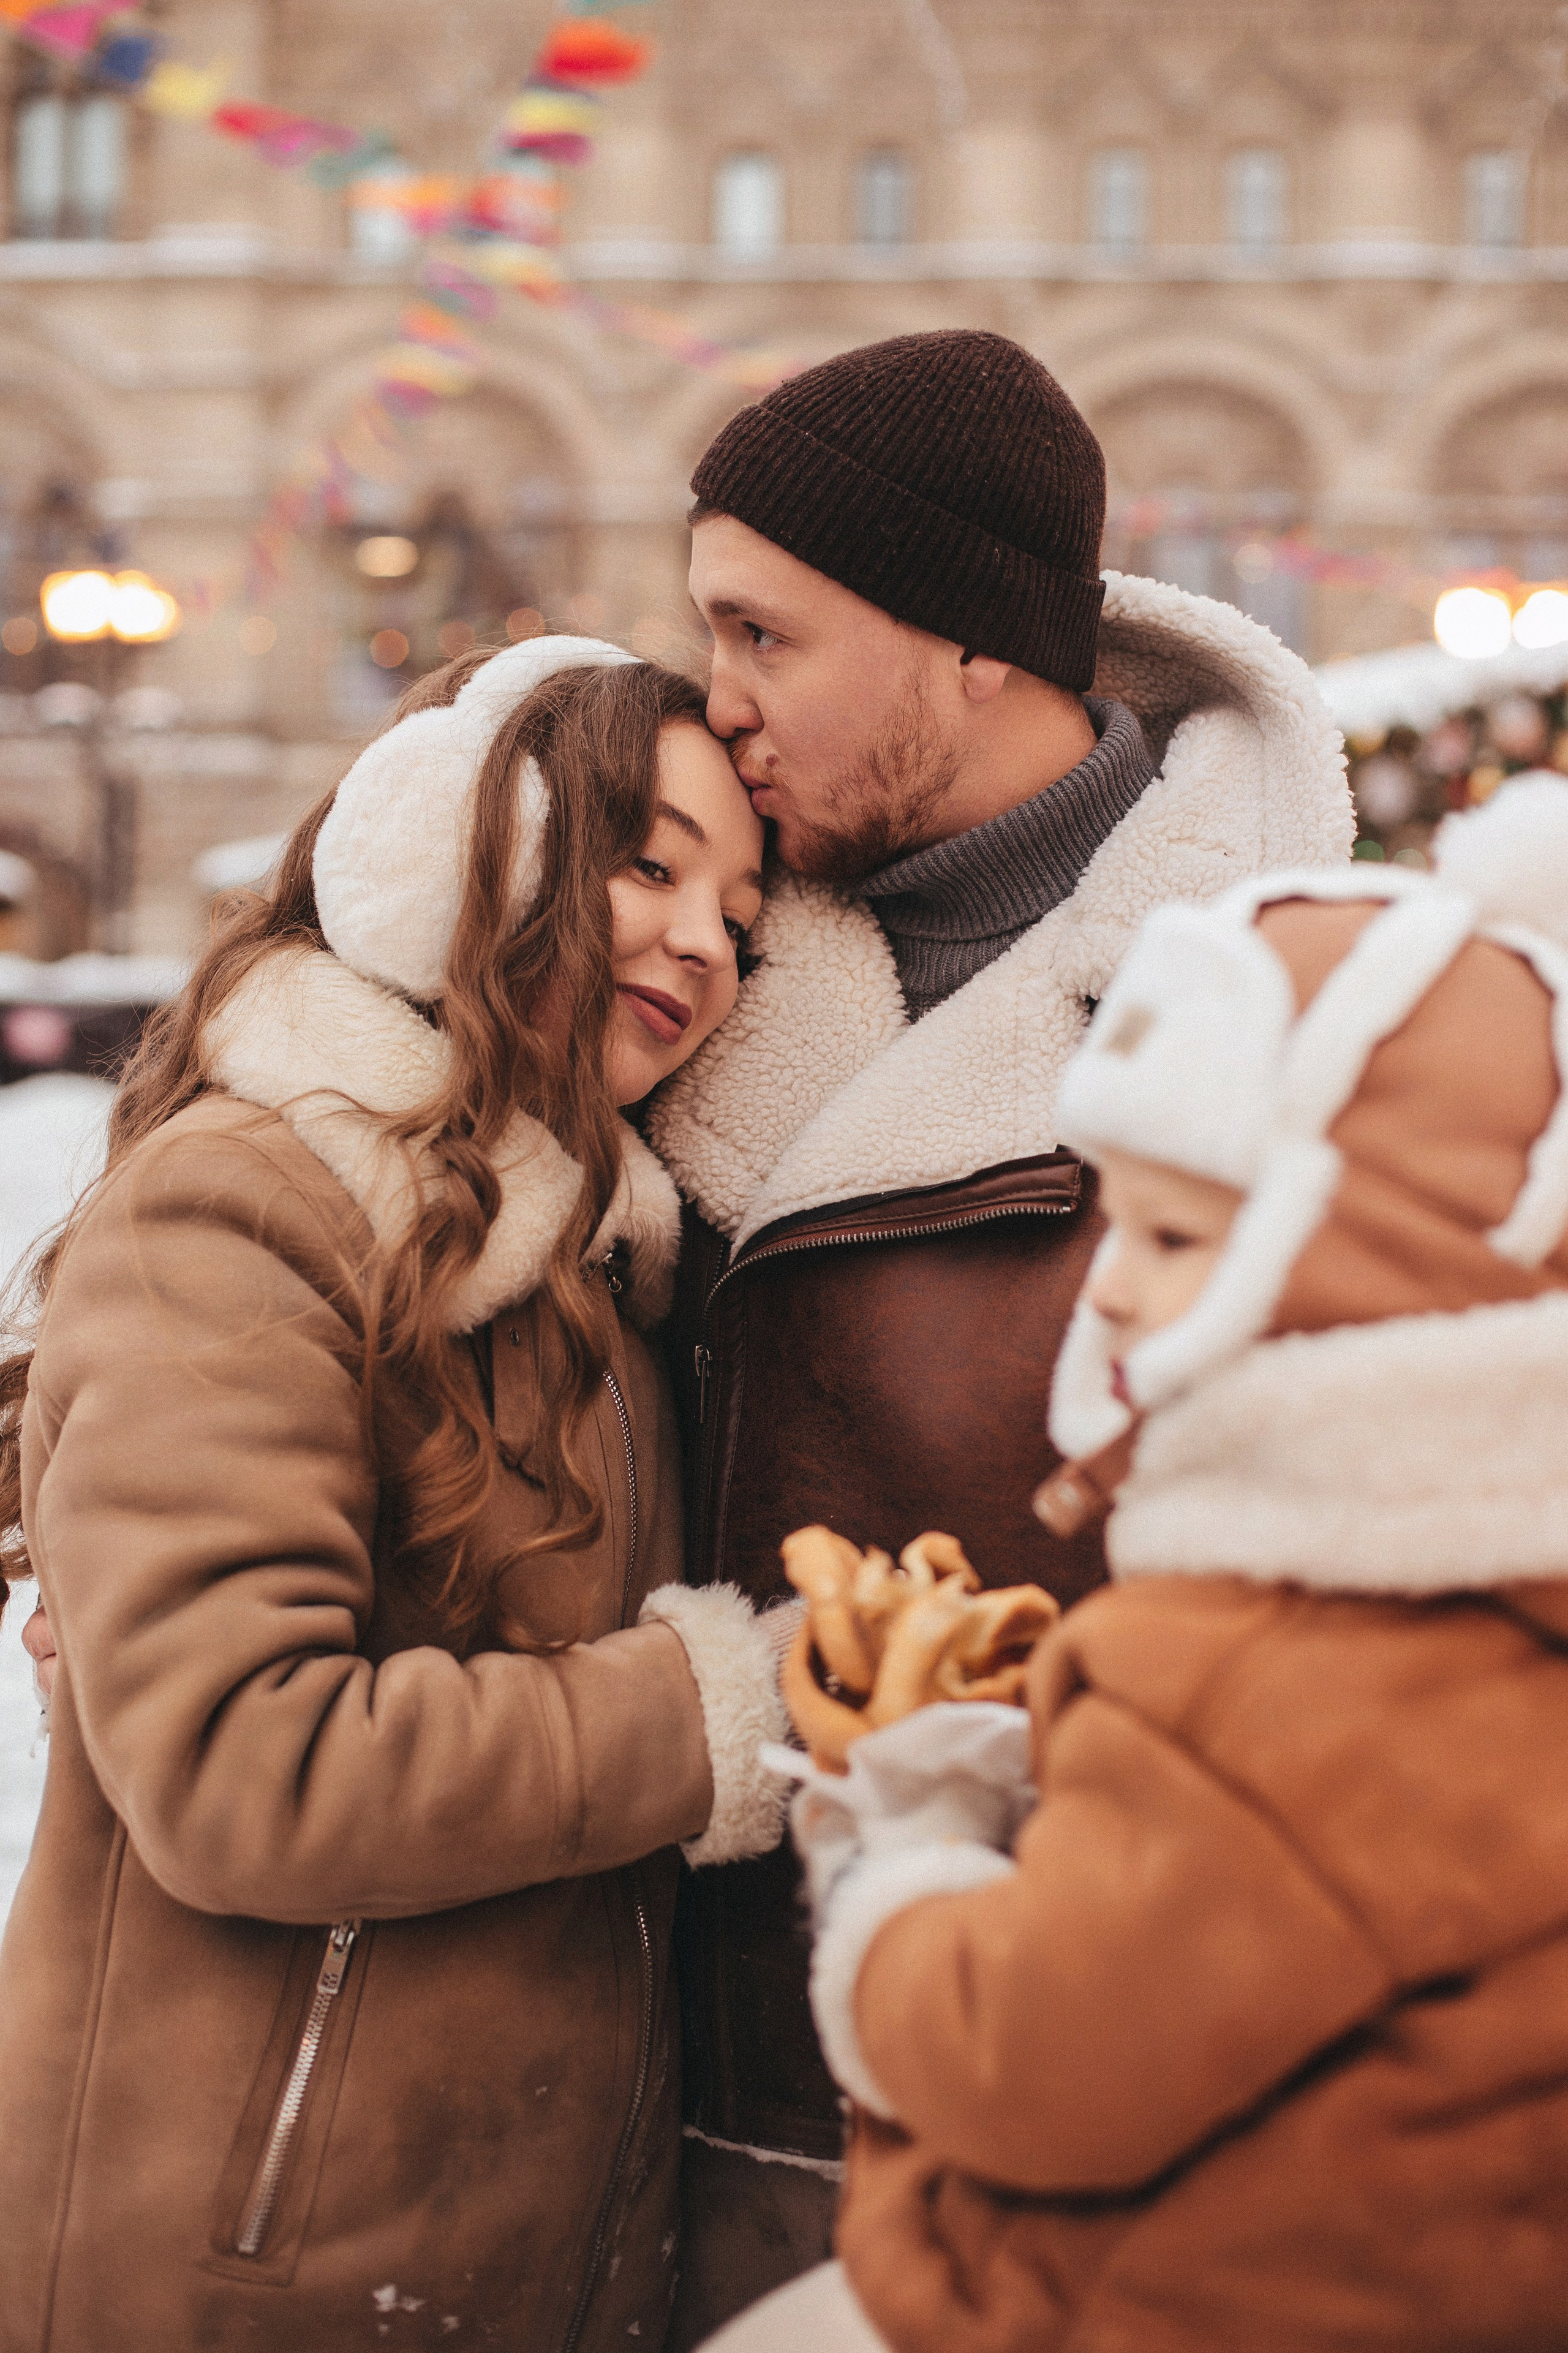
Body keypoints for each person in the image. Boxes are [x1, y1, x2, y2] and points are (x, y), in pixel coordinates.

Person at [651, 326, 1355, 2336]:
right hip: (637, 2082)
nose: (720, 699)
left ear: (971, 640)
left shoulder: (1287, 1019)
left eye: (766, 635)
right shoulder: (678, 941)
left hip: (1054, 2099)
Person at [0, 636, 797, 2353]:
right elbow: (240, 1768)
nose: (703, 942)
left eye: (741, 910)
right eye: (648, 861)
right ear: (465, 855)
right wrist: (705, 1714)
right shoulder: (248, 1209)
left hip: (513, 2264)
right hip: (243, 2273)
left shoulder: (598, 1275)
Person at [713, 771, 1568, 2353]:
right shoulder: (1494, 1615)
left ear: (1362, 1279)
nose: (1108, 1292)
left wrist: (901, 1858)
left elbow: (1031, 2061)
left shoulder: (1261, 1667)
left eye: (1179, 1242)